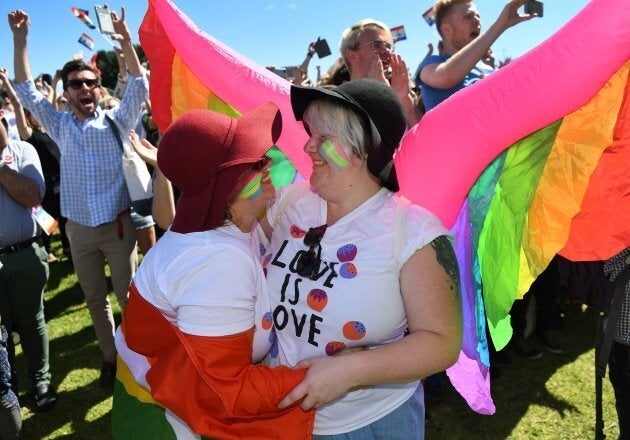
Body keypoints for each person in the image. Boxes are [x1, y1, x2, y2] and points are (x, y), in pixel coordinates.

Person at [262, 78, 462, 438]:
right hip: (282, 417)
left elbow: (441, 342)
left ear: (363, 148)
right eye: (310, 133)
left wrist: (351, 370)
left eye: (324, 137)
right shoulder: (290, 204)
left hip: (371, 424)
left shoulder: (413, 232)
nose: (307, 146)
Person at [113, 104, 315, 439]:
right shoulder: (218, 260)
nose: (269, 164)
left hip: (172, 403)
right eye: (254, 163)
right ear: (226, 184)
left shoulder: (234, 226)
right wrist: (323, 376)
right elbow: (226, 391)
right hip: (169, 422)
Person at [10, 7, 149, 387]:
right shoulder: (58, 124)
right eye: (75, 84)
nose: (84, 88)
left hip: (118, 229)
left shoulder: (117, 121)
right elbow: (25, 90)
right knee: (94, 301)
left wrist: (123, 41)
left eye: (89, 82)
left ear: (98, 88)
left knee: (130, 300)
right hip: (79, 233)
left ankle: (140, 361)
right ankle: (110, 357)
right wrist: (21, 39)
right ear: (68, 92)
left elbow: (138, 84)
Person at [0, 110, 56, 411]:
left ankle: (41, 382)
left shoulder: (23, 150)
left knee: (32, 322)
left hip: (24, 254)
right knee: (1, 331)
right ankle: (8, 390)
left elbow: (34, 196)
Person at [0, 67, 69, 263]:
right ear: (29, 118)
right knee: (45, 221)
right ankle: (46, 250)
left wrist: (55, 83)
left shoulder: (51, 131)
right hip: (42, 185)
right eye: (33, 114)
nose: (38, 115)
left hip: (61, 184)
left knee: (64, 220)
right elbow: (17, 105)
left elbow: (50, 102)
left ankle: (67, 248)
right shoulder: (28, 135)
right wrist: (6, 81)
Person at [417, 0, 536, 111]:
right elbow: (446, 77)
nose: (477, 20)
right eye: (468, 16)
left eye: (478, 16)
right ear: (447, 29)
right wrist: (500, 25)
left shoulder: (488, 68)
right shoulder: (431, 63)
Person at [340, 19, 420, 126]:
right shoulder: (338, 103)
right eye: (376, 45)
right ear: (352, 56)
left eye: (388, 46)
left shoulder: (399, 92)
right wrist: (381, 98)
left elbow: (425, 139)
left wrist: (403, 99)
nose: (387, 51)